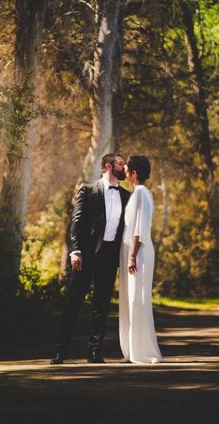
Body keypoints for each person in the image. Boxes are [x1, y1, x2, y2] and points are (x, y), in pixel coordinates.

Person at [51, 153, 131, 364]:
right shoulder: (88, 189)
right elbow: (76, 222)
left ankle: (94, 352)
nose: (124, 167)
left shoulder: (126, 195)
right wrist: (75, 250)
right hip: (85, 256)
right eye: (121, 164)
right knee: (74, 302)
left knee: (102, 305)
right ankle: (60, 350)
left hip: (110, 256)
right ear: (108, 166)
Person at [118, 155, 163, 364]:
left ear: (134, 173)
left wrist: (132, 257)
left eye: (127, 170)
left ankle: (141, 351)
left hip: (139, 253)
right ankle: (132, 349)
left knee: (138, 298)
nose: (124, 173)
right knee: (131, 298)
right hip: (134, 252)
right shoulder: (141, 194)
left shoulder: (141, 194)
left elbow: (138, 228)